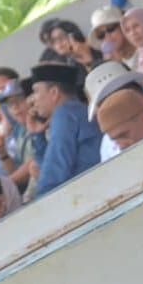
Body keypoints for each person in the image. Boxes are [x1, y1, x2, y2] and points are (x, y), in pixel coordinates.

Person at [27, 63, 102, 197]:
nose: (32, 99)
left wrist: (40, 206)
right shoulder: (76, 109)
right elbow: (52, 168)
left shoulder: (65, 113)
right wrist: (37, 136)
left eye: (36, 91)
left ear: (54, 93)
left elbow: (53, 179)